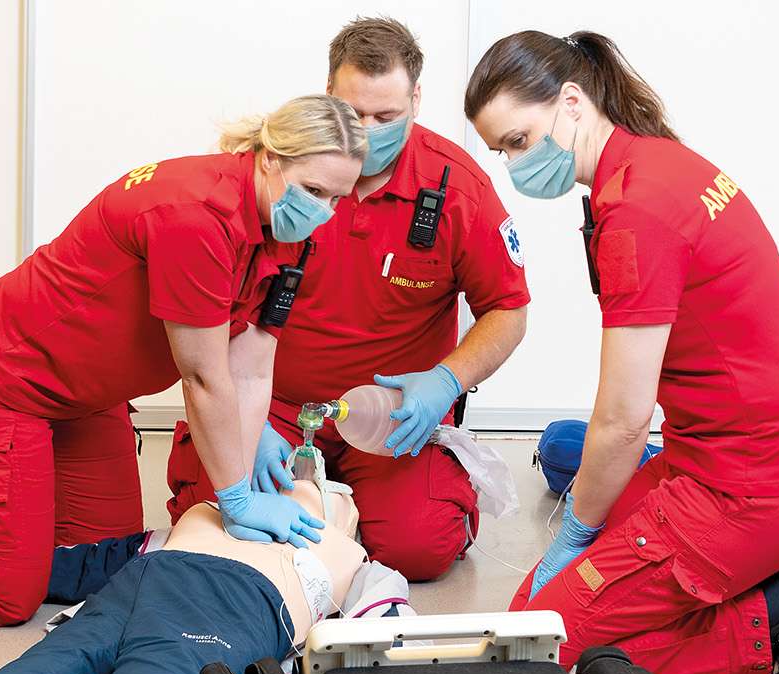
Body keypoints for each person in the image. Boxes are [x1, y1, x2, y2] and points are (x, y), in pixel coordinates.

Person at [0, 95, 368, 626]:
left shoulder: (292, 231)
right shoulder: (197, 216)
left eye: (338, 198)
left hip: (82, 397)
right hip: (0, 382)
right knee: (0, 592)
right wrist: (236, 497)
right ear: (269, 157)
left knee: (96, 562)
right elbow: (205, 377)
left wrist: (256, 430)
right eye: (313, 190)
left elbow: (252, 362)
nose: (323, 212)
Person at [464, 31, 779, 674]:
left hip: (751, 489)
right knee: (528, 619)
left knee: (534, 655)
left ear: (571, 102)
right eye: (501, 151)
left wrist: (579, 529)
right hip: (747, 459)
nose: (514, 164)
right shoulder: (653, 162)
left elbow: (626, 420)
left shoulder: (636, 209)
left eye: (519, 140)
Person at [168, 17, 531, 582]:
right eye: (353, 113)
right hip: (273, 403)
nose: (367, 131)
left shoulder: (458, 190)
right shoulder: (278, 170)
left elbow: (508, 310)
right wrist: (246, 417)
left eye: (387, 117)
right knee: (212, 520)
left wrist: (447, 381)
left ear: (416, 98)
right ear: (328, 93)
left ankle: (359, 508)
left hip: (390, 417)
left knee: (419, 549)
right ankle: (331, 511)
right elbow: (209, 307)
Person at [0, 479, 410, 674]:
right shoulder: (210, 514)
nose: (294, 481)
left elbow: (388, 639)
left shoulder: (356, 561)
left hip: (220, 606)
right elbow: (88, 564)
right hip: (135, 592)